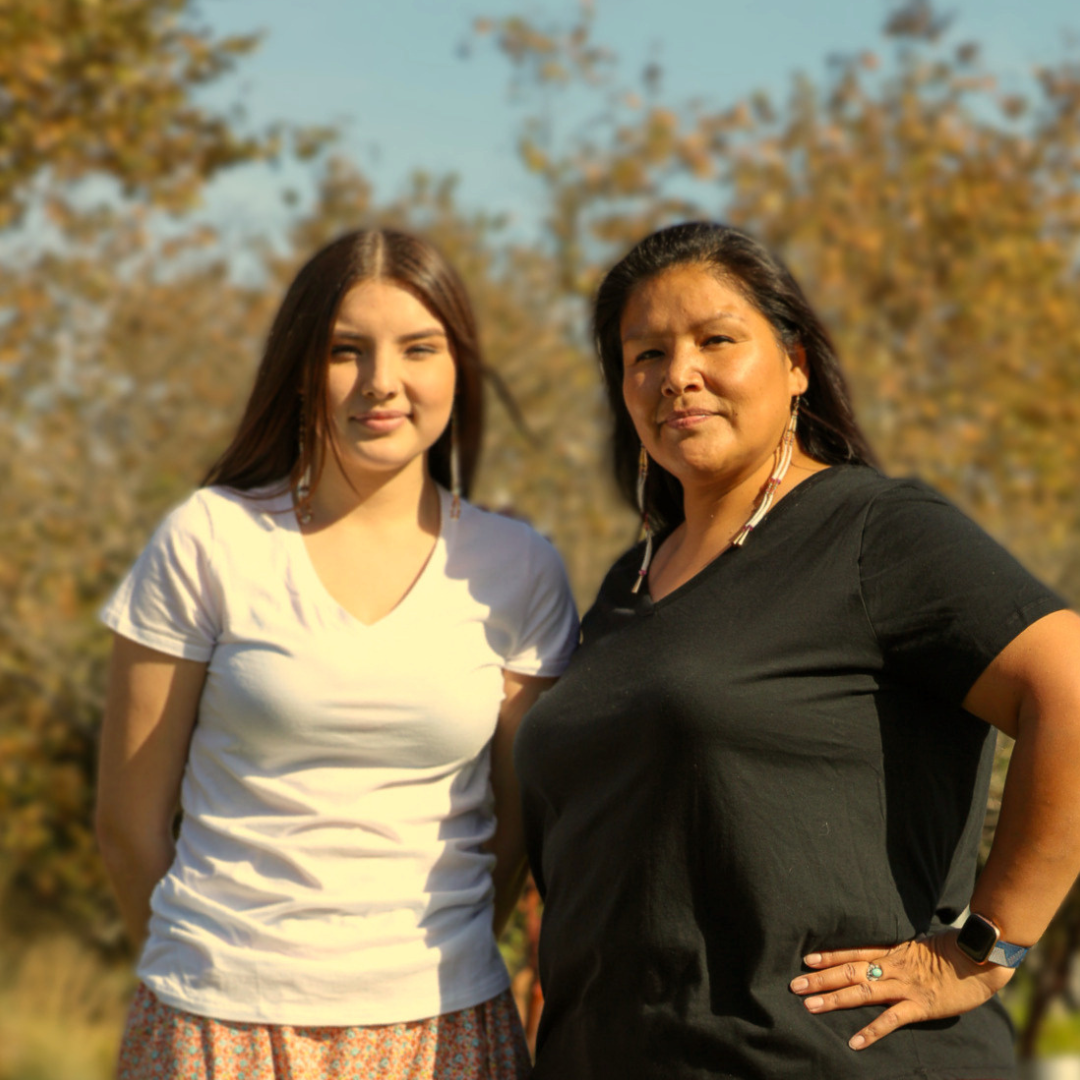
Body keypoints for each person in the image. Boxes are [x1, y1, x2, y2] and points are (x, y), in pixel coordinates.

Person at [514, 221, 1080, 1079]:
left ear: (797, 364)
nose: (680, 376)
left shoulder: (871, 533)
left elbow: (1070, 689)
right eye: (646, 355)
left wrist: (980, 948)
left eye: (717, 340)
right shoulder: (628, 584)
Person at [95, 227, 579, 1080]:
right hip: (215, 1026)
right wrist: (213, 981)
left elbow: (514, 833)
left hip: (443, 1027)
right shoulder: (209, 540)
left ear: (456, 366)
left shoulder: (521, 569)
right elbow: (129, 825)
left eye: (418, 349)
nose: (381, 383)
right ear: (299, 368)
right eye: (345, 351)